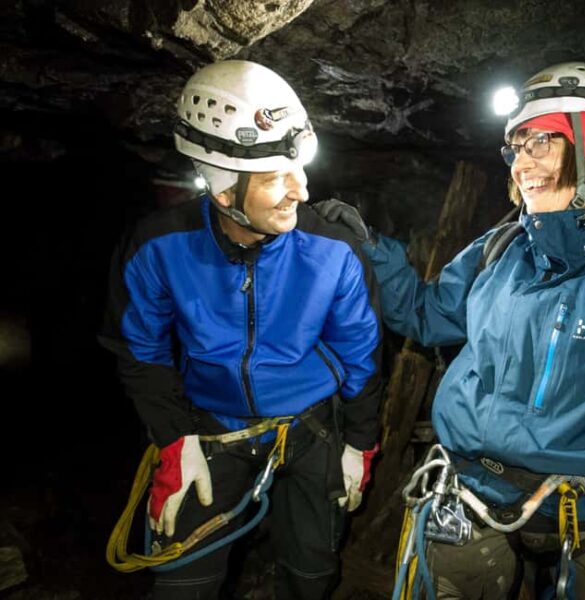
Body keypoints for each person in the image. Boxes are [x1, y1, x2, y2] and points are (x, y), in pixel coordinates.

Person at [314, 61, 585, 599]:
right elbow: (427, 314)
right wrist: (372, 246)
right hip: (474, 496)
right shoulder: (500, 248)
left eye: (541, 143)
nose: (521, 162)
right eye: (516, 146)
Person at [99, 60, 382, 600]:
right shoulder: (158, 246)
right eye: (276, 177)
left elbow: (361, 356)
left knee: (312, 574)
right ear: (223, 191)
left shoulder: (334, 249)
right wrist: (172, 437)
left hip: (310, 428)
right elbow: (140, 351)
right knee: (182, 581)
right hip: (210, 427)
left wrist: (360, 445)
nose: (300, 191)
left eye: (299, 168)